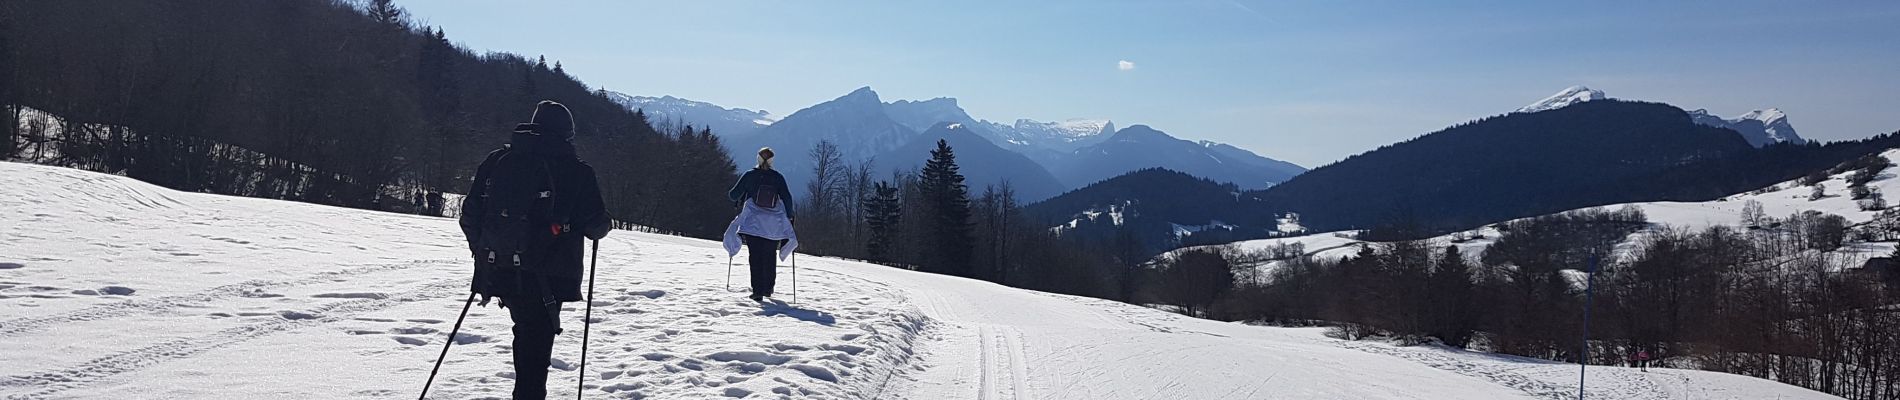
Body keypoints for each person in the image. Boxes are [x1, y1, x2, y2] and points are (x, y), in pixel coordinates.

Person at [459, 100, 611, 399]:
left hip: (498, 268)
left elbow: (470, 214)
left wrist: (484, 251)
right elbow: (595, 226)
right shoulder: (576, 171)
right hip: (549, 277)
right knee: (534, 345)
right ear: (567, 133)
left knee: (527, 335)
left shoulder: (498, 160)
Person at [722, 147, 799, 302]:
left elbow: (733, 195)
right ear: (772, 161)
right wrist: (790, 216)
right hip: (773, 224)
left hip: (752, 223)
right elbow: (787, 198)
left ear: (757, 159)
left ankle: (757, 291)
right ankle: (768, 288)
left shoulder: (750, 175)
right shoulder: (778, 178)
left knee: (755, 256)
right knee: (770, 255)